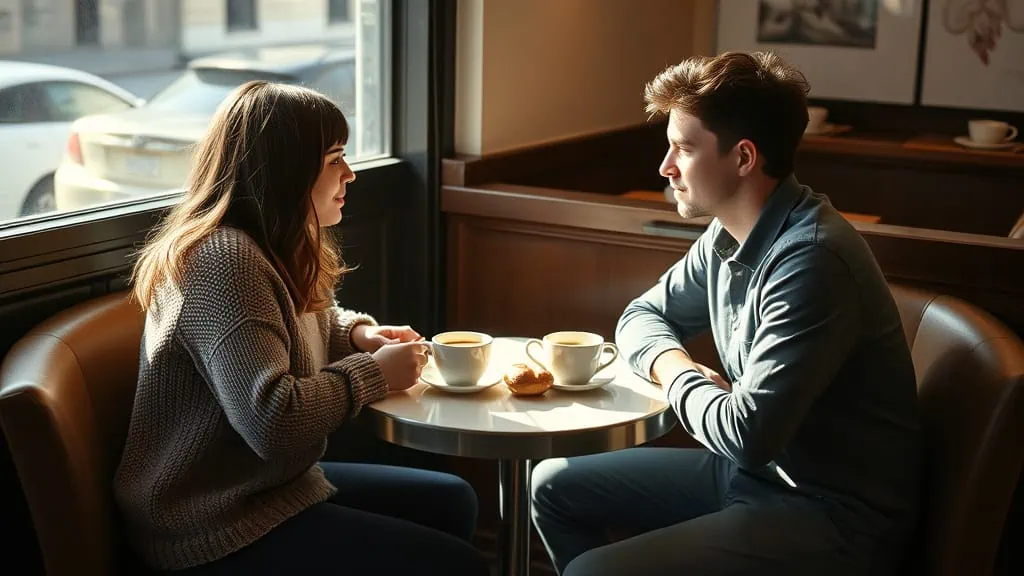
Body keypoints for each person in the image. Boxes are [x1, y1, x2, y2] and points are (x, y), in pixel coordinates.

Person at [531, 52, 922, 575]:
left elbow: (747, 434)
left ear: (743, 158)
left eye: (684, 148)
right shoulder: (728, 232)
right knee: (551, 484)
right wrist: (676, 364)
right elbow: (641, 315)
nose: (665, 166)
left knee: (592, 571)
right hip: (757, 477)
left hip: (831, 513)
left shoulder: (813, 258)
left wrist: (675, 376)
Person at [115, 81, 488, 576]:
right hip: (209, 521)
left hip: (271, 487)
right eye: (335, 159)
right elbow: (273, 423)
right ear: (285, 170)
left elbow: (299, 326)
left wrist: (356, 337)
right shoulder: (224, 261)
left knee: (454, 500)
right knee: (459, 565)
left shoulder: (274, 243)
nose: (350, 173)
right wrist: (373, 373)